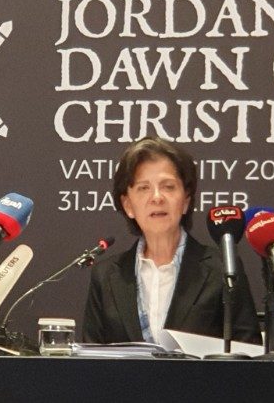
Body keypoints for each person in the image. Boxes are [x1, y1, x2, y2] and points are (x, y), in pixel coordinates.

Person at [83, 137, 261, 345]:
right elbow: (90, 355)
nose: (157, 197)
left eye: (168, 187)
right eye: (143, 188)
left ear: (185, 200)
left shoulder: (223, 268)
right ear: (128, 205)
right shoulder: (106, 276)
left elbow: (248, 350)